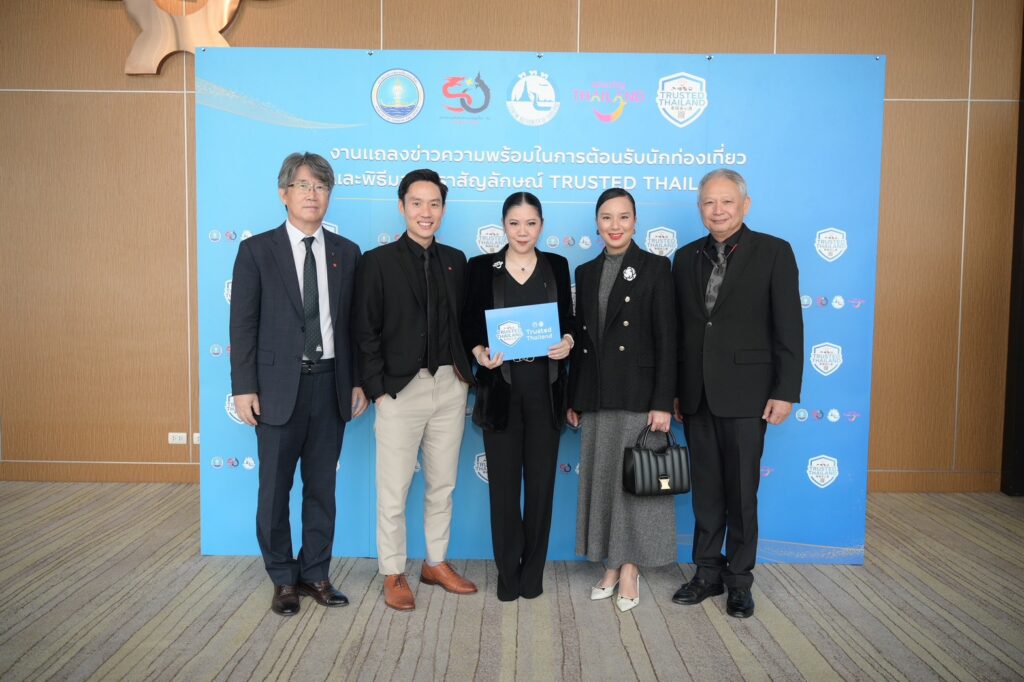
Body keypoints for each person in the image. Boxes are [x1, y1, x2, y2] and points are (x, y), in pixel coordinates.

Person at [230, 152, 367, 616]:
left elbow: (353, 327)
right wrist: (244, 387)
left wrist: (357, 381)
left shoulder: (346, 253)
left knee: (321, 490)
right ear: (284, 193)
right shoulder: (256, 251)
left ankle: (315, 574)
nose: (313, 195)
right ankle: (283, 578)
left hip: (330, 387)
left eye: (322, 187)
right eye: (304, 186)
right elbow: (242, 325)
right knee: (273, 492)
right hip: (276, 390)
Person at [671, 168, 803, 618]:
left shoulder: (773, 252)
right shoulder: (685, 257)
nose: (718, 210)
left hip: (749, 394)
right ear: (700, 208)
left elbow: (789, 326)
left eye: (727, 201)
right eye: (709, 202)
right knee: (706, 490)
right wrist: (675, 390)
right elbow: (682, 332)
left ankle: (740, 581)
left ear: (745, 205)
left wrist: (785, 391)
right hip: (697, 395)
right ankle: (706, 571)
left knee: (742, 492)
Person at [353, 168, 477, 611]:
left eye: (435, 204)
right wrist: (378, 390)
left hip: (449, 387)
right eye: (418, 203)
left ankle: (436, 562)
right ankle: (392, 570)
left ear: (443, 209)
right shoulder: (377, 261)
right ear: (402, 206)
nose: (427, 213)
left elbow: (466, 324)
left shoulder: (456, 260)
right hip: (399, 391)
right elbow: (364, 331)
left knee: (442, 484)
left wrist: (470, 368)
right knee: (394, 488)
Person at [567, 188, 677, 612]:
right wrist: (575, 397)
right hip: (597, 395)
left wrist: (662, 401)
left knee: (633, 486)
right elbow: (583, 343)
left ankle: (629, 568)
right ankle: (610, 564)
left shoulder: (655, 267)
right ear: (597, 223)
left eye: (623, 217)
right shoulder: (586, 270)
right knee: (604, 479)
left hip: (638, 395)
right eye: (607, 218)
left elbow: (667, 340)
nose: (615, 226)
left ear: (636, 222)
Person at [462, 192, 575, 601]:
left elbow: (569, 321)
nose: (522, 231)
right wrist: (478, 352)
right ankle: (509, 577)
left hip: (545, 394)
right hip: (500, 395)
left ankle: (533, 576)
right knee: (504, 492)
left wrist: (567, 339)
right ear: (502, 225)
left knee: (542, 490)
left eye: (530, 223)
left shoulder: (557, 266)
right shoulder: (481, 268)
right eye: (514, 223)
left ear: (541, 225)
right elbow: (468, 323)